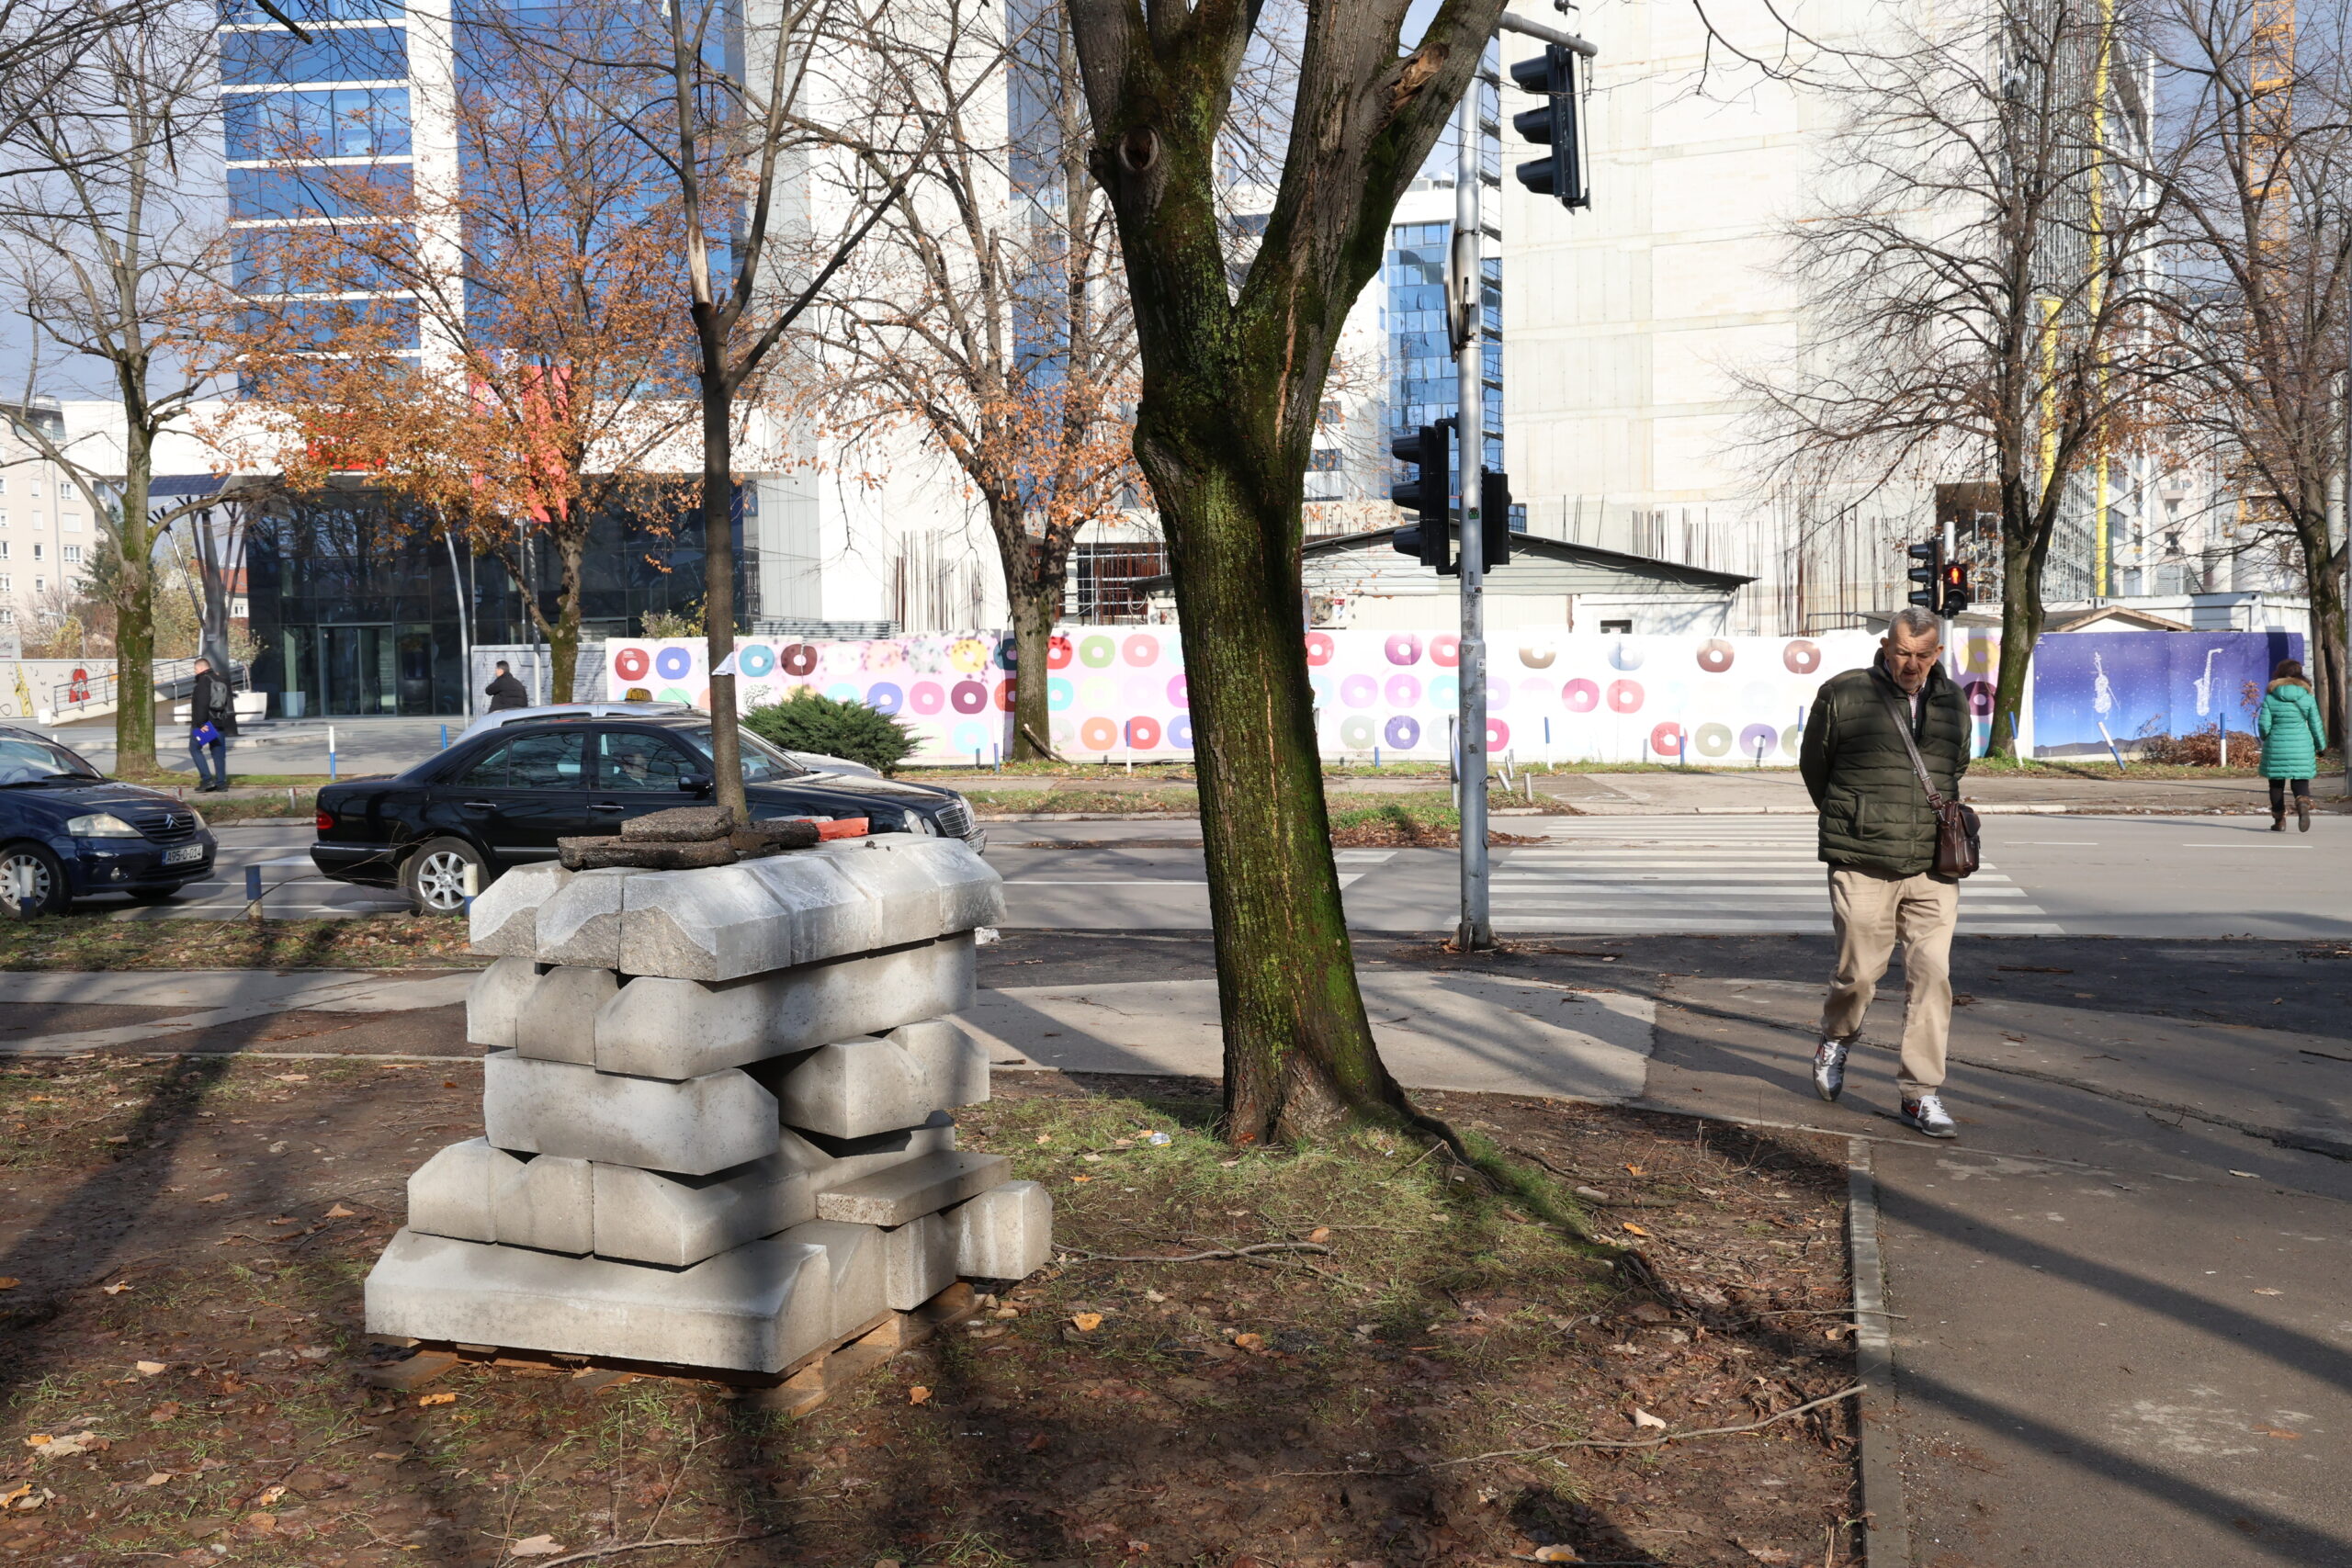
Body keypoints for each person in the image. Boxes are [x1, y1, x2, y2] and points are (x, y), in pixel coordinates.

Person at [1798, 606, 1970, 1139]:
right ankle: (1836, 1035)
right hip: (1862, 860)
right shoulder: (1845, 694)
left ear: (1937, 653)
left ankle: (1920, 1094)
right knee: (1860, 976)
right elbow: (1814, 767)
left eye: (1922, 655)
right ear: (1885, 648)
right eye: (1902, 653)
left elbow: (1955, 767)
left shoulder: (1953, 701)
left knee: (1933, 978)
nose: (1911, 664)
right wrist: (1853, 817)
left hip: (1931, 867)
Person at [2257, 658, 2325, 833]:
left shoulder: (2271, 697)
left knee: (2276, 784)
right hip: (2301, 746)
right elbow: (2316, 725)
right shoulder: (2307, 698)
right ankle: (2302, 802)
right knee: (2300, 780)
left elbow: (2264, 725)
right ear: (2299, 675)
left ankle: (2279, 821)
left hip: (2276, 746)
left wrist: (2267, 737)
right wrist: (2321, 746)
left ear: (2279, 674)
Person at [188, 656, 238, 794]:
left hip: (206, 724)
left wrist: (201, 724)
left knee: (194, 748)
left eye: (195, 669)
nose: (195, 672)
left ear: (200, 668)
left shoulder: (203, 682)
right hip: (220, 722)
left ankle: (207, 780)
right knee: (218, 753)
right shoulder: (221, 680)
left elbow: (201, 705)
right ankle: (221, 783)